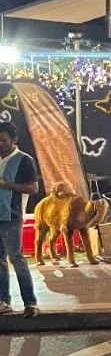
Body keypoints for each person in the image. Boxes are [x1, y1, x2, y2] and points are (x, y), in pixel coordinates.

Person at [0, 121, 39, 318]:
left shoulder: (24, 160)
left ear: (14, 140)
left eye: (3, 140)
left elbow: (33, 188)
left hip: (11, 216)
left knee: (17, 258)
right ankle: (3, 301)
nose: (0, 144)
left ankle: (30, 303)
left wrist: (7, 185)